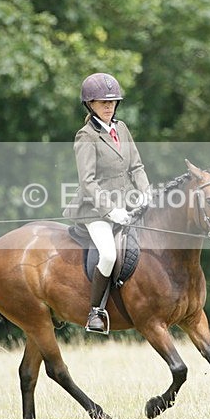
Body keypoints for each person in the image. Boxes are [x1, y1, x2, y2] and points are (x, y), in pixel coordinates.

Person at [63, 72, 150, 333]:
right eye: (103, 102)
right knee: (109, 254)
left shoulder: (121, 129)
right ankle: (96, 312)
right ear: (90, 104)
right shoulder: (86, 136)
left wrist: (145, 191)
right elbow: (88, 182)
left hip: (127, 204)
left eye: (112, 102)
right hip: (95, 210)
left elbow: (136, 166)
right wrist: (111, 210)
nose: (109, 107)